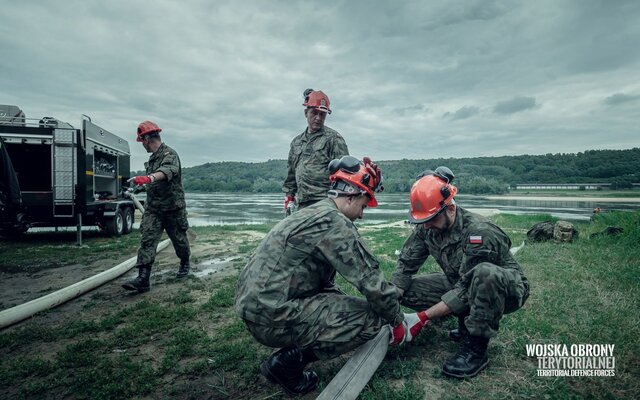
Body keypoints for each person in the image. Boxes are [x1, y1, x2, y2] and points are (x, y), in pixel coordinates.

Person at [236, 156, 408, 396]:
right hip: (269, 317)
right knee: (372, 318)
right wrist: (397, 321)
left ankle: (292, 349)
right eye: (364, 205)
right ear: (351, 196)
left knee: (342, 302)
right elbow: (372, 283)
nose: (361, 214)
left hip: (254, 307)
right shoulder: (335, 222)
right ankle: (288, 363)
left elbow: (322, 283)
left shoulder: (313, 212)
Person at [392, 167, 529, 378]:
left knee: (484, 274)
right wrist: (389, 303)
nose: (427, 225)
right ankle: (465, 325)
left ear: (450, 209)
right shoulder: (427, 225)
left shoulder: (479, 232)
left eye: (431, 219)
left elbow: (469, 287)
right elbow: (406, 264)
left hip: (503, 289)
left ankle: (476, 349)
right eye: (423, 220)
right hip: (460, 282)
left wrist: (422, 317)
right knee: (408, 290)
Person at [123, 121, 190, 293]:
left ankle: (184, 262)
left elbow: (166, 172)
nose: (142, 145)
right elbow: (152, 182)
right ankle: (143, 279)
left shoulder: (169, 154)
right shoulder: (152, 159)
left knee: (179, 241)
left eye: (142, 141)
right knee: (147, 240)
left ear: (147, 138)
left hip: (173, 209)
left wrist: (148, 178)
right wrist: (137, 187)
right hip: (154, 210)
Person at [282, 89, 349, 213]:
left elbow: (345, 175)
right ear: (305, 113)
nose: (318, 118)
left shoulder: (334, 139)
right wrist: (289, 198)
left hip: (325, 203)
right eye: (314, 113)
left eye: (322, 114)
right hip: (301, 204)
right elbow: (291, 175)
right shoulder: (296, 142)